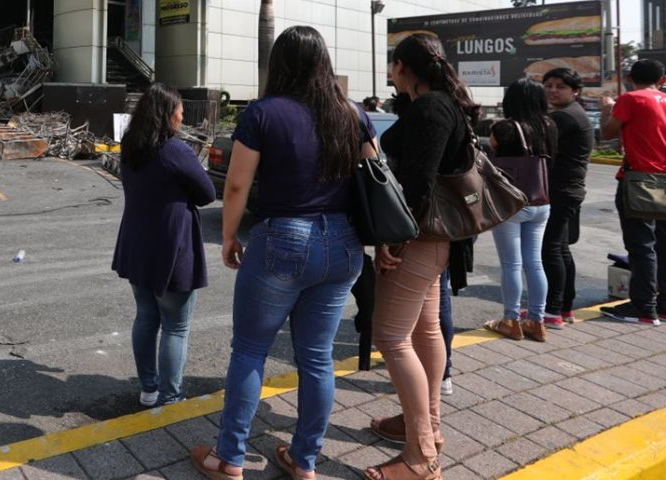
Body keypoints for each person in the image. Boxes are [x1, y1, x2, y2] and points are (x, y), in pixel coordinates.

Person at [190, 26, 369, 480]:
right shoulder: (353, 114)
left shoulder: (264, 113)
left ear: (280, 65)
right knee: (317, 356)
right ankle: (304, 461)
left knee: (250, 350)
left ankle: (229, 458)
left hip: (284, 238)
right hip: (344, 244)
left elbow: (236, 183)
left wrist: (230, 236)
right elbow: (376, 179)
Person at [366, 33, 478, 480]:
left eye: (393, 65)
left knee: (390, 337)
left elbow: (416, 186)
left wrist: (391, 242)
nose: (391, 73)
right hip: (432, 238)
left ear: (404, 67)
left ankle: (420, 455)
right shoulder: (438, 104)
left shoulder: (432, 109)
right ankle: (426, 426)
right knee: (424, 330)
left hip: (419, 237)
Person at [112, 82, 215, 407]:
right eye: (180, 113)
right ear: (167, 114)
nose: (182, 119)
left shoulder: (131, 146)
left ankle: (149, 389)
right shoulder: (174, 151)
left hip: (137, 244)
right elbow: (208, 193)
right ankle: (172, 397)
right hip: (172, 248)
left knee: (145, 317)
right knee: (176, 327)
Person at [483, 79, 557, 342]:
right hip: (541, 202)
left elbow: (492, 153)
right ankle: (536, 322)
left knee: (511, 264)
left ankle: (510, 320)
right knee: (534, 263)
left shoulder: (505, 128)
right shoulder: (549, 126)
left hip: (512, 204)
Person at [599, 59, 666, 326]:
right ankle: (662, 305)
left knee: (641, 245)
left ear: (629, 77)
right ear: (662, 80)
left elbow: (606, 133)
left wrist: (607, 110)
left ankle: (643, 306)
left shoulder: (631, 99)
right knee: (662, 243)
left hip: (639, 180)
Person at [542, 67, 593, 328]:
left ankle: (552, 311)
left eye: (559, 86)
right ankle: (564, 308)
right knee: (560, 248)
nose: (552, 90)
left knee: (550, 248)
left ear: (574, 91)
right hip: (568, 190)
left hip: (561, 190)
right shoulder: (571, 113)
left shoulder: (565, 117)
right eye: (548, 85)